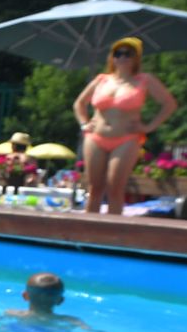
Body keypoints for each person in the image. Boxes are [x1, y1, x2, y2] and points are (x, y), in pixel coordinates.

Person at [73, 36, 178, 215]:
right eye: (118, 53)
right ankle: (88, 230)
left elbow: (169, 104)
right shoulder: (101, 80)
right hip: (96, 136)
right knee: (95, 187)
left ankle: (112, 232)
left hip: (126, 138)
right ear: (112, 57)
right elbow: (79, 104)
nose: (122, 57)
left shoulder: (144, 80)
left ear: (136, 58)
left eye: (128, 53)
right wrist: (84, 124)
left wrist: (149, 127)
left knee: (115, 186)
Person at [0, 272, 89, 329]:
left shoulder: (12, 313)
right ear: (60, 301)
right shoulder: (70, 320)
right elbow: (87, 330)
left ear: (25, 296)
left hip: (22, 327)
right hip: (51, 329)